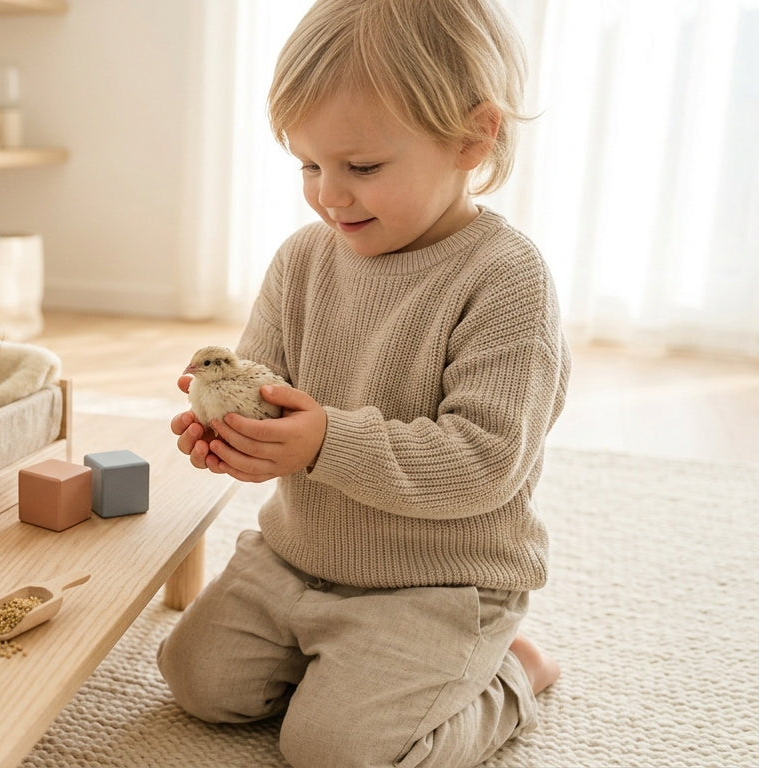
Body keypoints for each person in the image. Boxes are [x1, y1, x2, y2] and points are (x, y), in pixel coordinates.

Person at [158, 0, 570, 765]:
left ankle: (512, 670)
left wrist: (323, 442)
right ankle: (348, 665)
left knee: (336, 751)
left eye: (363, 168)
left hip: (436, 586)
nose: (328, 195)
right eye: (309, 164)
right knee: (197, 682)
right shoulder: (302, 259)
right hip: (296, 558)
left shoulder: (507, 280)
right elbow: (265, 384)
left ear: (474, 138)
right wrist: (231, 432)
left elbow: (484, 463)